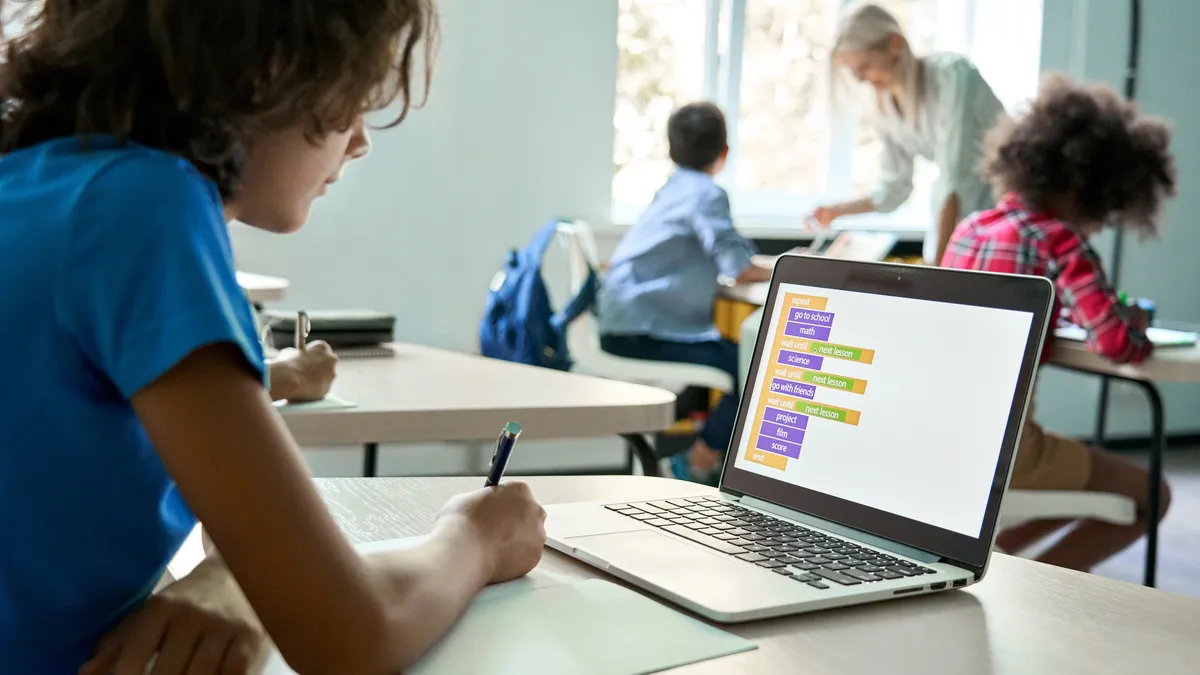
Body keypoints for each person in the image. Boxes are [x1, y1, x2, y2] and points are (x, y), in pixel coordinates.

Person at [0, 1, 546, 674]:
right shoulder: (143, 206)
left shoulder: (45, 182)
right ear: (276, 68)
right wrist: (479, 534)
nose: (360, 140)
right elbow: (351, 633)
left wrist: (234, 569)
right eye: (353, 94)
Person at [941, 73, 1176, 572]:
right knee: (1152, 495)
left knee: (1082, 471)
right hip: (1009, 453)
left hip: (945, 439)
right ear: (1080, 187)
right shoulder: (1059, 241)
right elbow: (1114, 343)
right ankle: (1052, 591)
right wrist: (1134, 329)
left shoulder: (971, 229)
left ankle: (1005, 562)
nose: (1096, 222)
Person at [599, 102, 772, 485]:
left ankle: (700, 456)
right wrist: (788, 265)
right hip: (644, 331)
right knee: (757, 367)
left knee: (742, 359)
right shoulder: (707, 194)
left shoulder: (672, 188)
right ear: (724, 153)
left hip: (620, 323)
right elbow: (737, 266)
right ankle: (697, 460)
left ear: (672, 150)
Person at [810, 1, 1005, 264]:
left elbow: (953, 182)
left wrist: (936, 272)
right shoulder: (887, 105)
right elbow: (894, 189)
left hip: (1002, 211)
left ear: (894, 44)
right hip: (961, 224)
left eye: (865, 66)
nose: (860, 79)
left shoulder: (953, 77)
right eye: (854, 72)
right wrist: (837, 211)